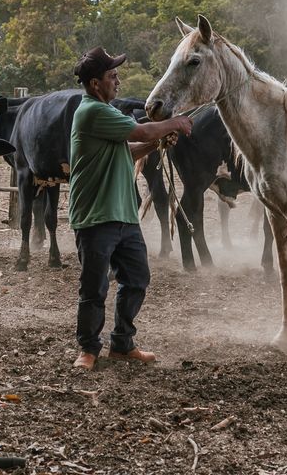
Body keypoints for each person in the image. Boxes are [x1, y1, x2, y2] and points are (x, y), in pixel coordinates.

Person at [68, 47, 193, 370]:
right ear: (95, 84)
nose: (118, 81)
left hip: (123, 212)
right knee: (94, 286)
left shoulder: (103, 113)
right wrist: (174, 123)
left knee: (137, 278)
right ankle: (88, 349)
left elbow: (129, 148)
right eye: (112, 76)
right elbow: (140, 131)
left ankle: (122, 344)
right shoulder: (93, 111)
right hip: (96, 215)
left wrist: (157, 143)